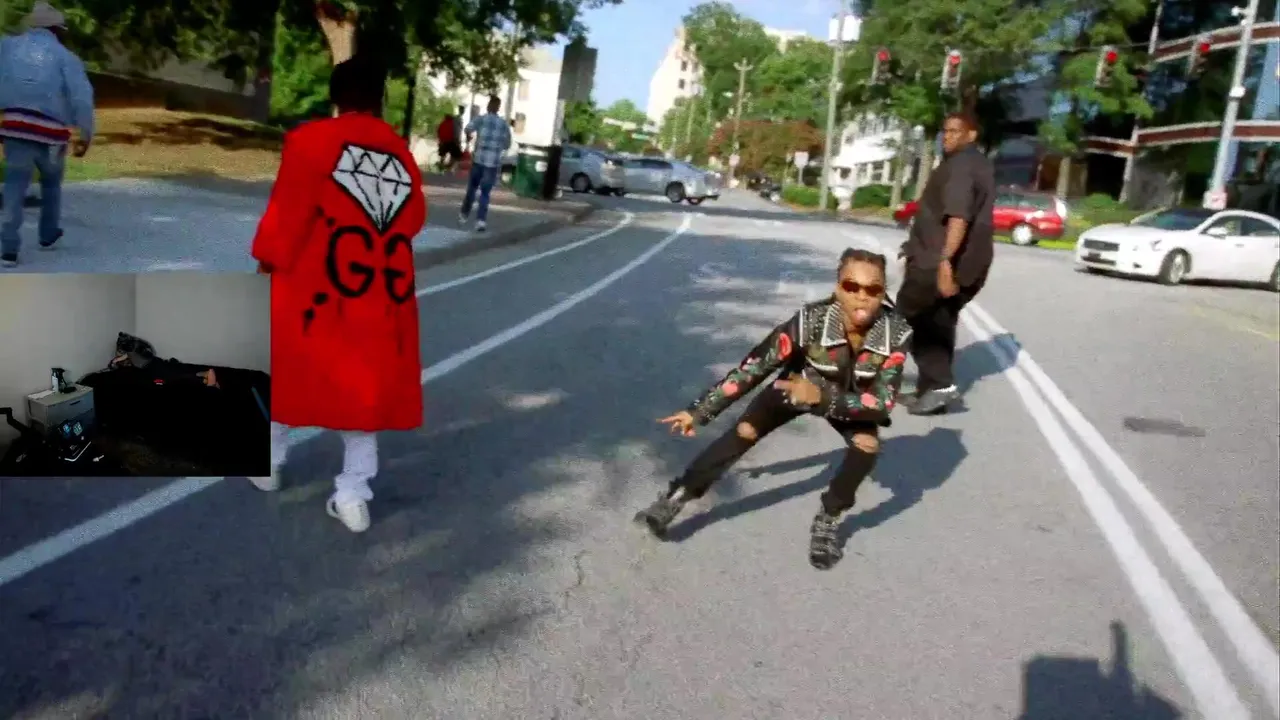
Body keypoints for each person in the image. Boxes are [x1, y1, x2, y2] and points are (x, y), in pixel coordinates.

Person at [635, 248, 913, 570]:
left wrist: (822, 398)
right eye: (852, 287)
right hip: (795, 387)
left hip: (847, 401)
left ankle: (829, 517)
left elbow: (881, 401)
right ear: (838, 288)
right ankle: (678, 496)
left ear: (883, 292)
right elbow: (755, 367)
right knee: (745, 430)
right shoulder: (810, 321)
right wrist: (699, 410)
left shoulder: (895, 333)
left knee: (867, 445)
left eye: (873, 289)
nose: (862, 297)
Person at [250, 53, 426, 533]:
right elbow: (412, 219)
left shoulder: (311, 141)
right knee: (362, 393)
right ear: (379, 99)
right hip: (378, 289)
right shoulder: (400, 153)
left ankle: (269, 463)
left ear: (335, 95)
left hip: (317, 286)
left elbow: (288, 215)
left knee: (291, 374)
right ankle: (352, 493)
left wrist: (267, 261)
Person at [894, 111, 995, 416]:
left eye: (955, 131)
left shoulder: (962, 167)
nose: (947, 137)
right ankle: (931, 392)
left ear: (971, 135)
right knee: (937, 322)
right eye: (945, 131)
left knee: (906, 319)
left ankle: (937, 385)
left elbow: (959, 217)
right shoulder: (975, 163)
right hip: (961, 261)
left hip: (937, 262)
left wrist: (944, 262)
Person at [0, 1, 95, 269]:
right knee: (51, 183)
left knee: (14, 186)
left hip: (16, 127)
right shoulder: (66, 57)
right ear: (56, 30)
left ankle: (8, 250)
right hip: (52, 134)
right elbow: (81, 97)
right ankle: (48, 234)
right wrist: (86, 132)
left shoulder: (7, 47)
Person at [458, 95, 512, 233]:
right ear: (498, 108)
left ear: (489, 106)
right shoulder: (503, 124)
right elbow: (507, 144)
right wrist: (497, 147)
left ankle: (464, 214)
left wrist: (469, 138)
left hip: (479, 160)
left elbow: (468, 128)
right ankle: (480, 221)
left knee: (472, 189)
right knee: (485, 193)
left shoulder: (481, 119)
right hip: (492, 163)